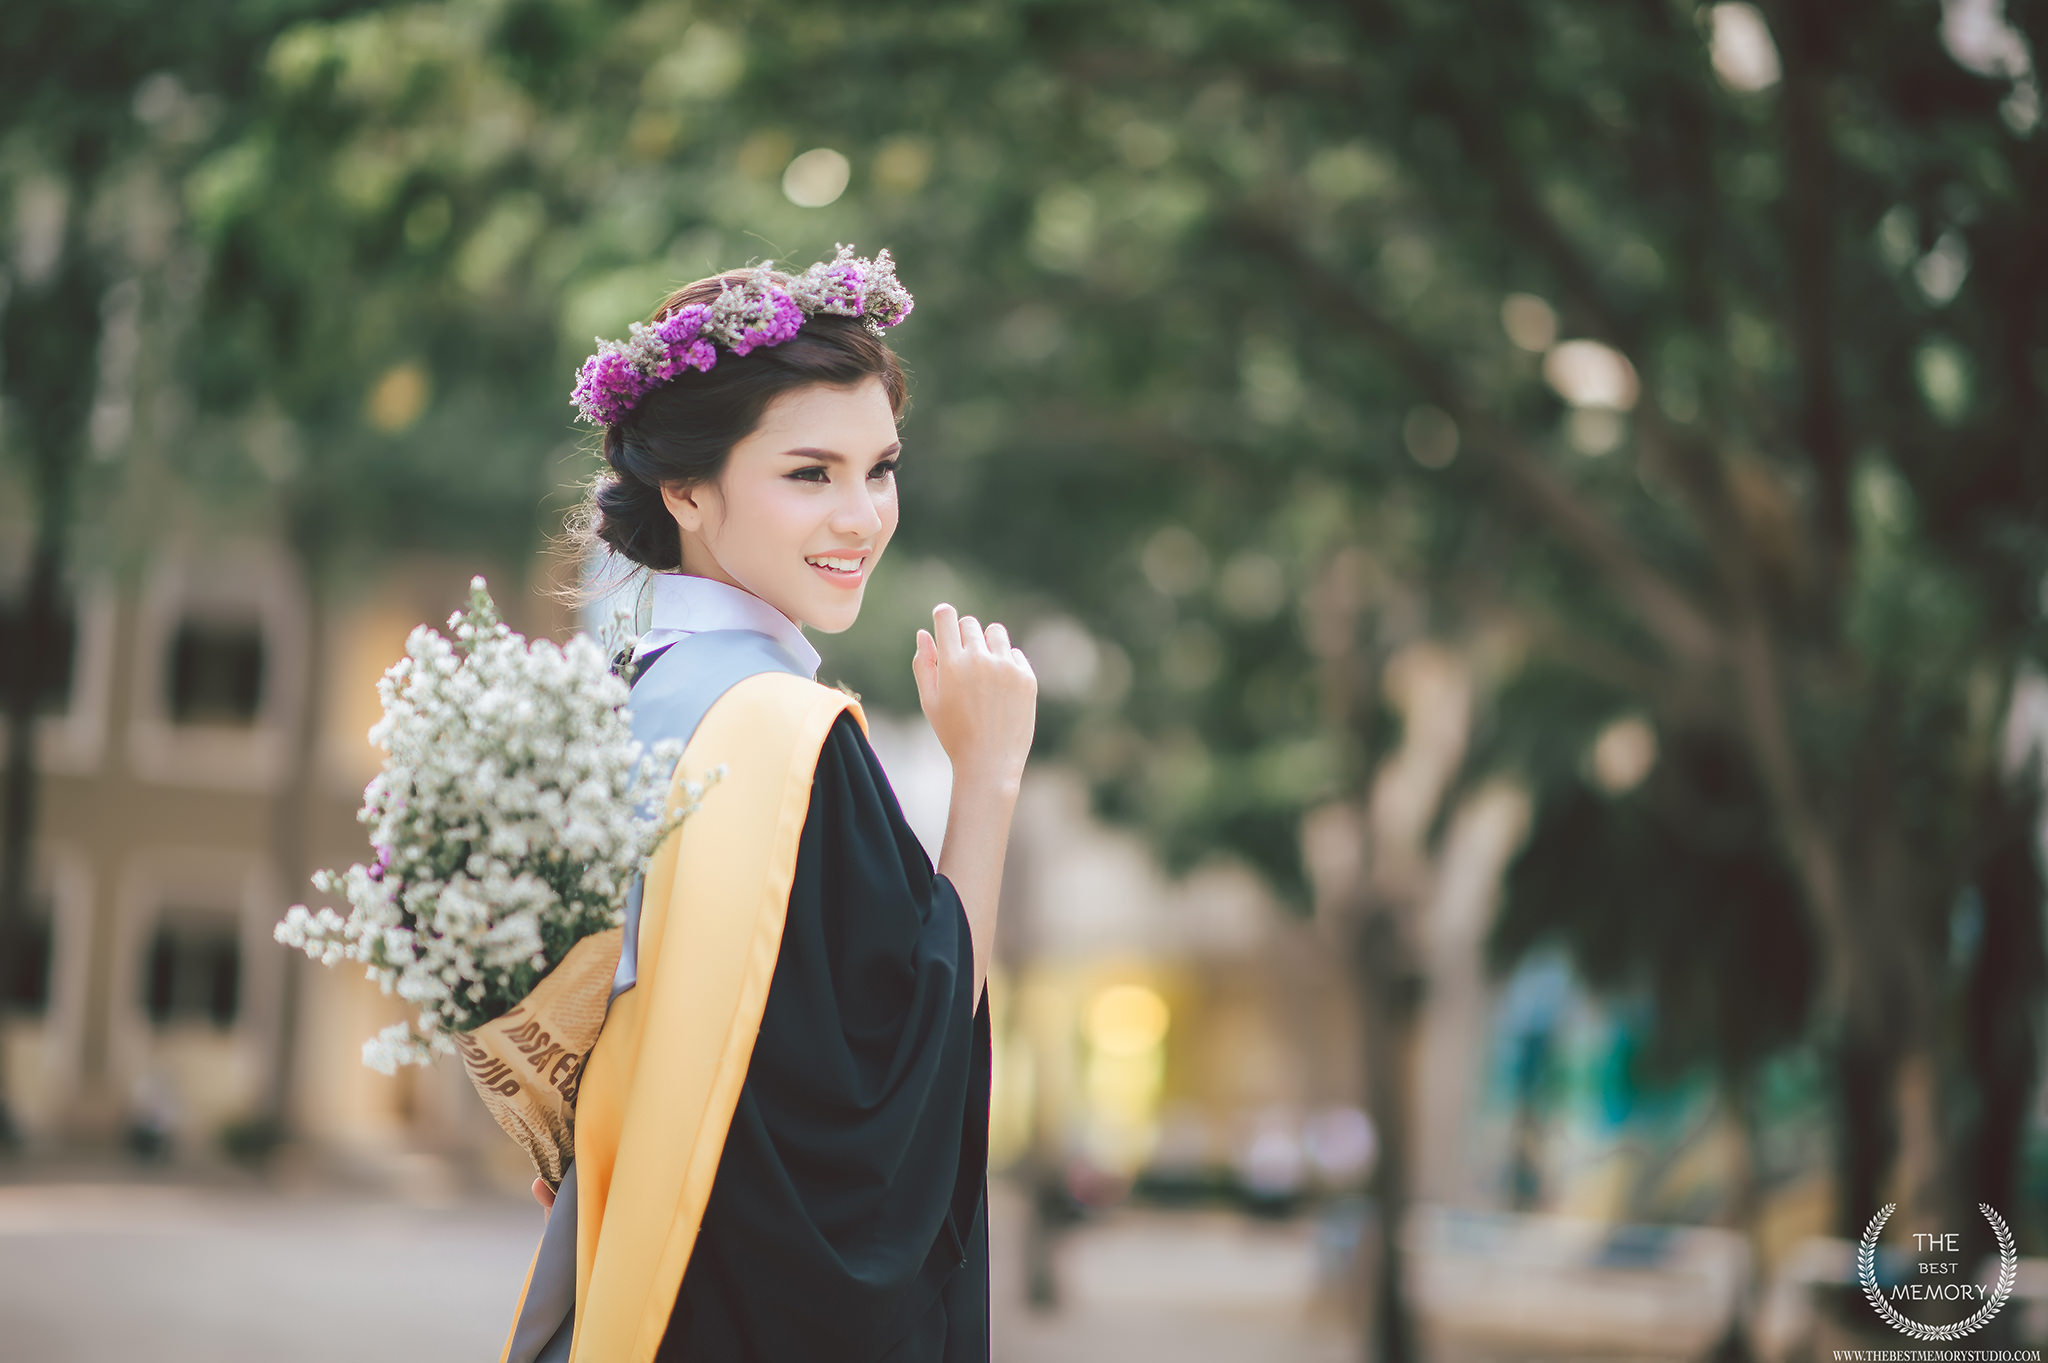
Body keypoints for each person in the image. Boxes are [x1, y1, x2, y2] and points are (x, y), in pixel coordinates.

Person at [497, 248, 1036, 1363]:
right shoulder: (779, 735)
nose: (860, 517)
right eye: (808, 474)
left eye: (878, 467)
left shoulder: (622, 704)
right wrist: (985, 778)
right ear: (686, 488)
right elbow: (893, 1095)